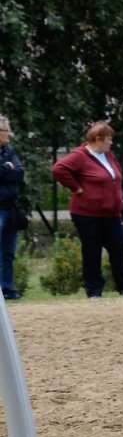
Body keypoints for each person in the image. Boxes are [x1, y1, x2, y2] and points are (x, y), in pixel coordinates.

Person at [51, 122, 123, 300]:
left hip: (112, 213)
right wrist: (77, 188)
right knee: (92, 251)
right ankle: (94, 291)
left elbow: (115, 177)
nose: (110, 142)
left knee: (119, 249)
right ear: (97, 139)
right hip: (87, 214)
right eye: (108, 139)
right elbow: (59, 169)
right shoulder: (80, 156)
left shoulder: (108, 155)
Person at [0, 115, 25, 301]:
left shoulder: (9, 151)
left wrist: (6, 168)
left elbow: (19, 173)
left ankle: (8, 289)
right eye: (7, 131)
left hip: (10, 208)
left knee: (8, 252)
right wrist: (7, 169)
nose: (9, 134)